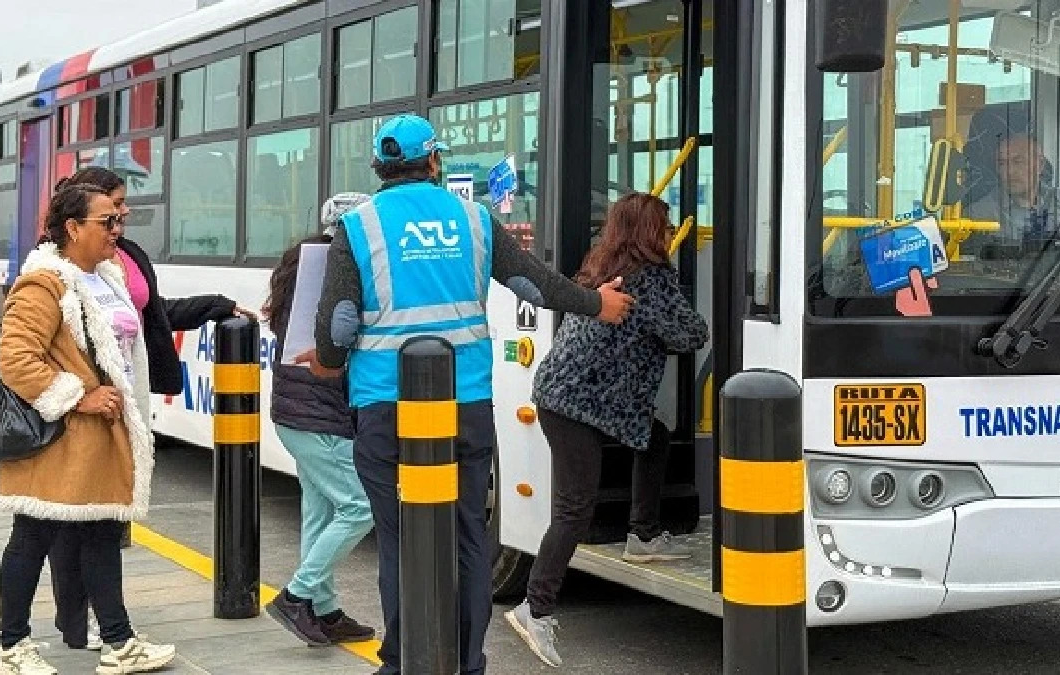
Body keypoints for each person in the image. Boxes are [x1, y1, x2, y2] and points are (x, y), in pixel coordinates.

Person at [312, 113, 635, 675]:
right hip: (463, 406)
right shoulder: (475, 219)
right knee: (466, 535)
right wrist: (598, 305)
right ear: (434, 161)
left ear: (379, 169)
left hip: (386, 407)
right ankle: (467, 661)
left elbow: (336, 331)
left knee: (398, 539)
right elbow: (535, 285)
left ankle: (406, 661)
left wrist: (332, 363)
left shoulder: (357, 228)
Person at [47, 167, 254, 652]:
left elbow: (155, 314)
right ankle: (82, 621)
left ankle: (103, 620)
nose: (123, 215)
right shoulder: (55, 267)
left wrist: (218, 306)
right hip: (86, 406)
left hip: (129, 398)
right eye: (114, 207)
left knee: (108, 519)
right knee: (74, 520)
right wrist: (78, 396)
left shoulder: (128, 255)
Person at [504, 192, 709, 668]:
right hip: (581, 405)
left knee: (654, 438)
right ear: (649, 232)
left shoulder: (600, 267)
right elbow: (691, 334)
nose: (670, 229)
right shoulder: (652, 279)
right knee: (574, 510)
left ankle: (643, 534)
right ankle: (534, 609)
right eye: (664, 223)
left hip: (571, 397)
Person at [0, 183, 175, 675]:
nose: (118, 230)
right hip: (59, 441)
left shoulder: (108, 277)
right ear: (72, 228)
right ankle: (12, 649)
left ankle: (118, 643)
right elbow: (15, 358)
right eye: (106, 222)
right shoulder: (46, 283)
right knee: (31, 537)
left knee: (101, 536)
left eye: (118, 220)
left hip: (102, 439)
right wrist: (79, 396)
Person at [260, 195, 376, 646]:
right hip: (318, 414)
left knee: (321, 510)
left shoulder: (303, 263)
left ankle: (324, 611)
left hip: (299, 413)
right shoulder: (339, 269)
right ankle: (298, 595)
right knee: (360, 504)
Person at [964, 133, 1060, 256]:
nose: (1009, 171)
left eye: (1018, 161)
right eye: (1002, 163)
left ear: (1040, 165)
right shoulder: (977, 215)